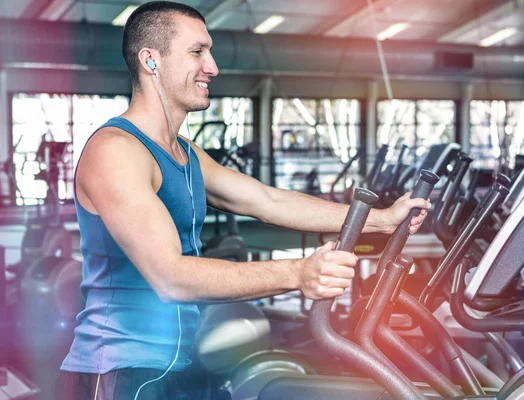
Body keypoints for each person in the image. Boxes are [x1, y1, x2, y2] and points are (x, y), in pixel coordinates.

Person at [55, 2, 430, 399]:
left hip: (179, 364)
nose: (212, 67)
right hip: (120, 371)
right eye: (197, 52)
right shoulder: (116, 150)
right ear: (151, 60)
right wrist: (299, 273)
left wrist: (383, 220)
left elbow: (269, 201)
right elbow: (171, 277)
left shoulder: (185, 153)